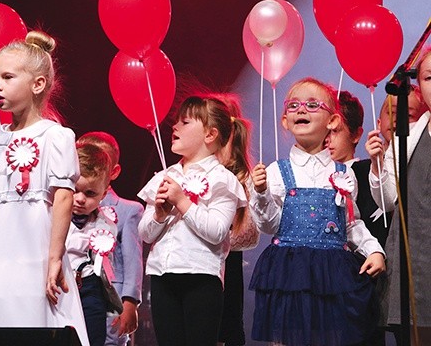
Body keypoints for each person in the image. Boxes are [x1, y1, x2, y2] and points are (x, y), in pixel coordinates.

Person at [0, 30, 89, 345]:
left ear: (38, 84)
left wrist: (55, 257)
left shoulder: (55, 137)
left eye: (7, 77)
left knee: (34, 319)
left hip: (34, 249)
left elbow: (62, 198)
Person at [249, 77, 386, 346]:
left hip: (332, 275)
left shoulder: (343, 173)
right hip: (290, 273)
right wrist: (262, 193)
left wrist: (374, 250)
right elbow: (269, 225)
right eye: (294, 105)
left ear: (332, 120)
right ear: (285, 121)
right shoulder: (276, 171)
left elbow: (350, 223)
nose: (302, 110)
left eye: (312, 104)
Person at [138, 95, 248, 346]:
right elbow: (145, 233)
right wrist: (159, 214)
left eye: (185, 122)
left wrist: (183, 202)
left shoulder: (223, 179)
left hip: (201, 277)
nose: (175, 127)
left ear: (210, 134)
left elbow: (218, 231)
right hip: (163, 276)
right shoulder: (165, 176)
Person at [366, 49, 431, 343]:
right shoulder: (410, 135)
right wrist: (379, 164)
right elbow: (387, 199)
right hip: (415, 264)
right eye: (429, 77)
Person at [327, 90, 387, 346]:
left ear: (356, 134)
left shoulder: (366, 170)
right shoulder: (314, 176)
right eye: (325, 131)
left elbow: (357, 222)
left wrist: (376, 163)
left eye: (336, 131)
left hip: (363, 280)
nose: (327, 140)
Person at [77, 131, 144, 346]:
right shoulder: (66, 205)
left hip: (110, 296)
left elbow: (133, 260)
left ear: (113, 171)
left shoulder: (127, 210)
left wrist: (130, 301)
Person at [208, 92, 253, 346]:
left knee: (226, 325)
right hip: (197, 265)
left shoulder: (239, 177)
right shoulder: (190, 172)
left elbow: (245, 233)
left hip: (226, 264)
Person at [66, 142, 117, 346]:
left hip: (90, 287)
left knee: (93, 336)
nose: (79, 199)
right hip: (60, 286)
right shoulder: (50, 217)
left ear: (104, 193)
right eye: (74, 190)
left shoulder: (106, 224)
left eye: (90, 194)